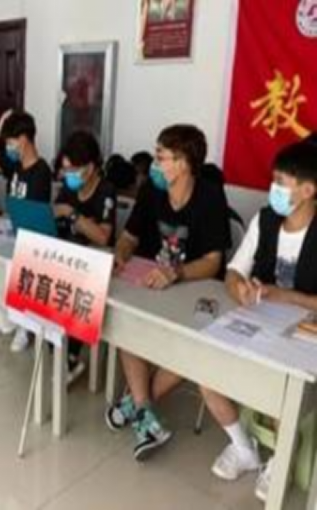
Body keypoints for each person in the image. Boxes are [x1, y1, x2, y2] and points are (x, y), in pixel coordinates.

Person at [200, 141, 317, 503]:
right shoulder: (265, 220)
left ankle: (280, 460)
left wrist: (287, 296)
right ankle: (243, 446)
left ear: (308, 190)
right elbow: (234, 270)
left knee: (282, 392)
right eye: (274, 180)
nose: (273, 189)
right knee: (206, 369)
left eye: (281, 182)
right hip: (259, 324)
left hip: (304, 337)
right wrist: (239, 289)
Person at [107, 125, 231, 462]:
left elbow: (213, 262)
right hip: (151, 281)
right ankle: (144, 411)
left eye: (161, 157)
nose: (155, 164)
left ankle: (134, 404)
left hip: (196, 288)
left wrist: (176, 272)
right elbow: (129, 236)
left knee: (190, 348)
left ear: (184, 163)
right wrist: (120, 253)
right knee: (127, 323)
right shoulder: (151, 190)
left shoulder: (210, 197)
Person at [0, 110, 54, 352]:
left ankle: (24, 326)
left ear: (23, 139)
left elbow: (36, 215)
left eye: (11, 142)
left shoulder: (41, 171)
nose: (9, 147)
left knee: (16, 271)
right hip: (12, 231)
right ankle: (4, 316)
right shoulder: (14, 166)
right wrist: (0, 125)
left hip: (32, 239)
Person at [55, 131, 117, 386]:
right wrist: (83, 223)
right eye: (65, 169)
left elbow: (102, 237)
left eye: (73, 169)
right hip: (69, 255)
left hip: (97, 264)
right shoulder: (68, 190)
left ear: (90, 167)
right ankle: (58, 348)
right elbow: (54, 213)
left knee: (76, 290)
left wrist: (72, 215)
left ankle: (71, 355)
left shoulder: (106, 191)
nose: (67, 175)